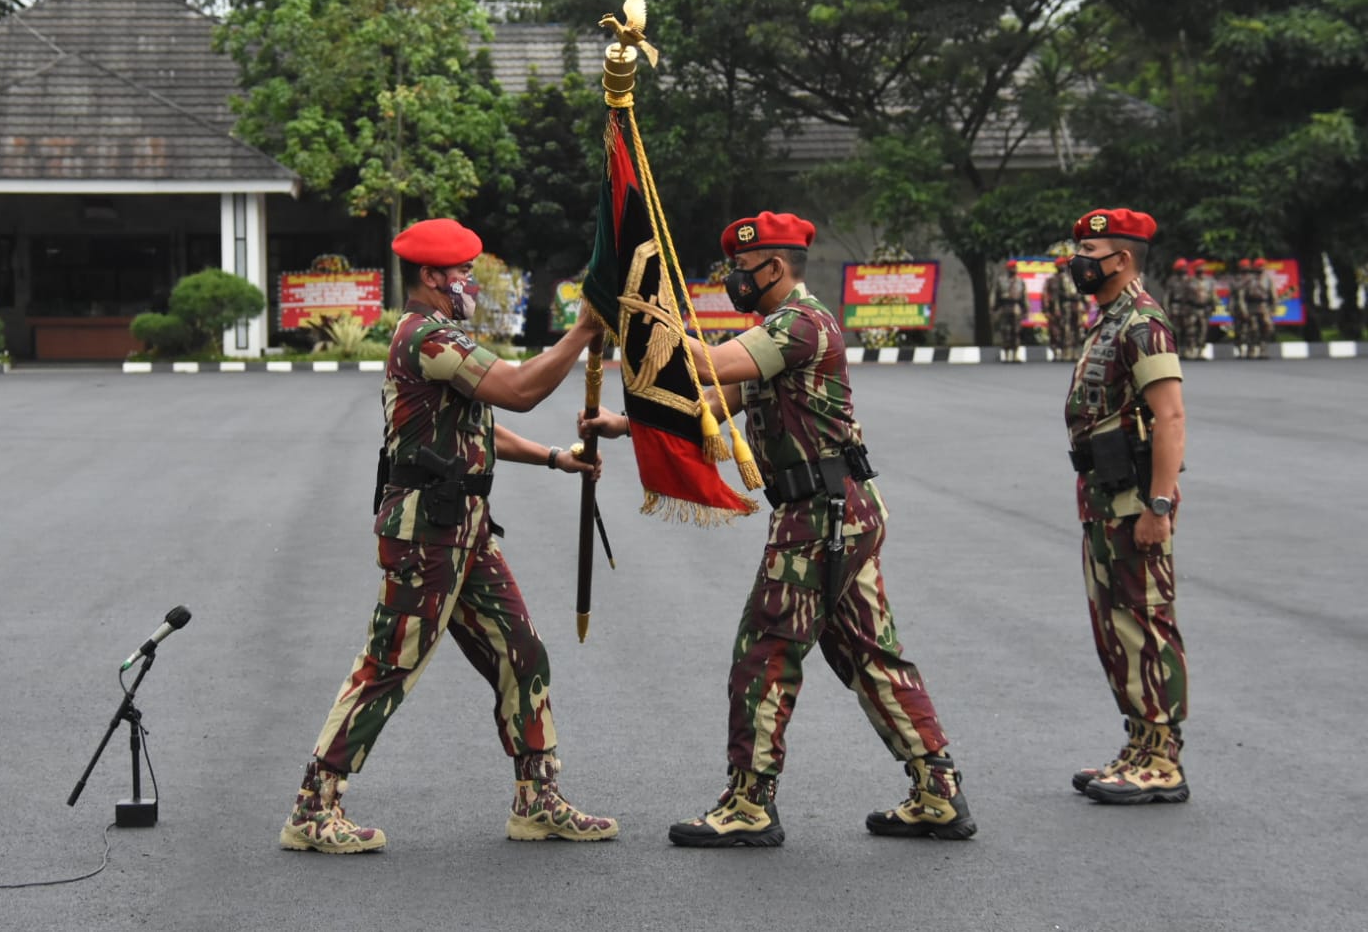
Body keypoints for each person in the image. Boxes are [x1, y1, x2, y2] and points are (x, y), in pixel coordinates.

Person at [583, 211, 975, 847]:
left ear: (775, 266)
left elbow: (706, 365)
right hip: (837, 510)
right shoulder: (774, 331)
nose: (735, 277)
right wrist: (628, 423)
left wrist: (640, 318)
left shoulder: (799, 324)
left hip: (822, 514)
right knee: (869, 654)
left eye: (742, 267)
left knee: (763, 652)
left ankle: (750, 804)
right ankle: (938, 790)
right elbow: (710, 403)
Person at [279, 216, 618, 854]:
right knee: (388, 666)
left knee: (523, 653)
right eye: (461, 273)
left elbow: (480, 429)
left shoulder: (446, 337)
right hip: (427, 535)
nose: (468, 281)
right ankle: (312, 808)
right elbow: (517, 391)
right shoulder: (427, 338)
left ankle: (537, 800)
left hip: (466, 533)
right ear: (433, 278)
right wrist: (581, 332)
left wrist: (554, 458)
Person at [1062, 208, 1189, 804]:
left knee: (1144, 622)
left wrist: (1158, 504)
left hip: (1137, 497)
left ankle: (1163, 759)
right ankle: (1139, 743)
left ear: (1123, 260)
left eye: (1091, 251)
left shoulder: (1142, 323)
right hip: (1105, 496)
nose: (1079, 261)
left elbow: (1170, 416)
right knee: (1115, 626)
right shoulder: (1108, 320)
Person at [993, 260, 1029, 362]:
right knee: (1005, 331)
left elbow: (1024, 296)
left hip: (1016, 307)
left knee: (1016, 332)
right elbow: (995, 295)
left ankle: (1015, 354)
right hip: (1005, 307)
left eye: (1015, 267)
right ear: (1008, 269)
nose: (1013, 269)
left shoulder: (1020, 281)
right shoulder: (1001, 281)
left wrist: (1026, 309)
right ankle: (1006, 354)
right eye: (1011, 268)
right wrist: (994, 309)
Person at [1047, 254, 1081, 361]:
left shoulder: (1074, 276)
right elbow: (1055, 295)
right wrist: (1055, 308)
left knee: (1076, 328)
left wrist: (1083, 304)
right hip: (1064, 306)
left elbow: (1080, 291)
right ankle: (1066, 352)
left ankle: (1075, 352)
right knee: (1065, 329)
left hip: (1075, 305)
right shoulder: (1056, 279)